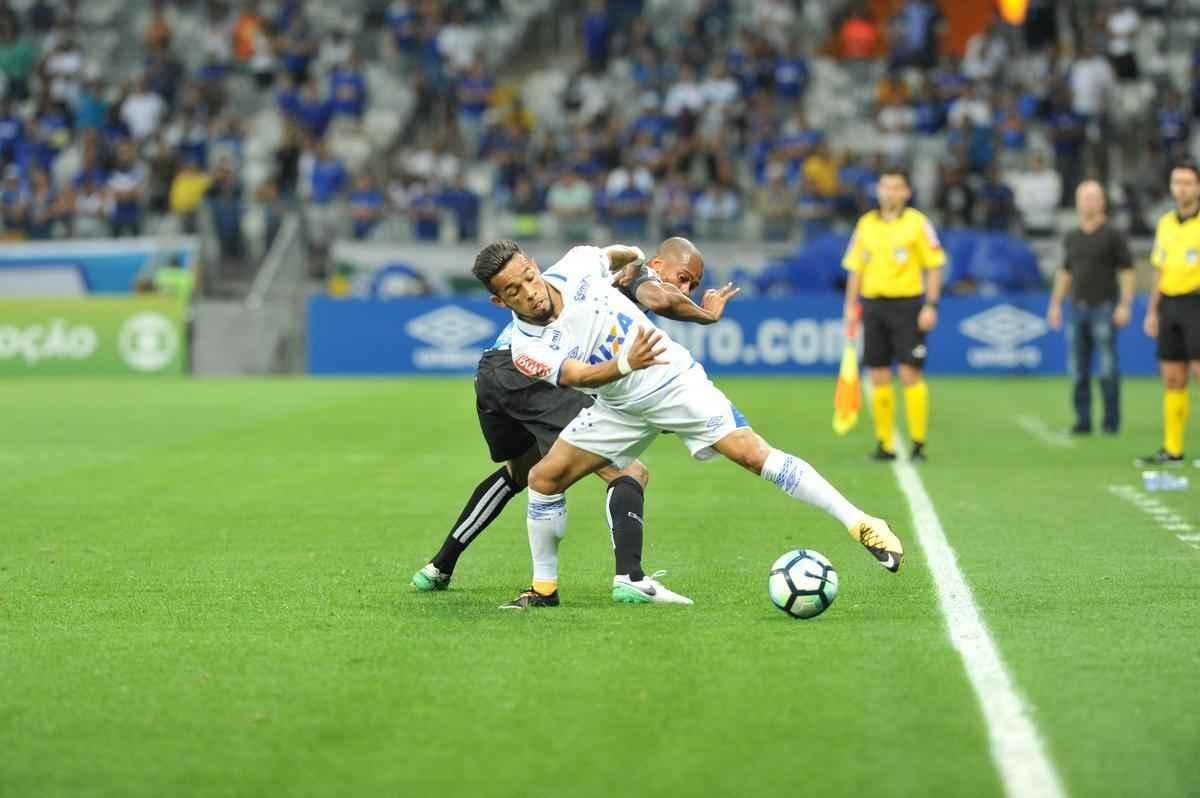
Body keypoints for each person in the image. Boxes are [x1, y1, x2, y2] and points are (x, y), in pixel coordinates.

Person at [473, 240, 900, 609]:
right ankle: (544, 589)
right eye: (514, 290)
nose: (530, 291)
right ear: (500, 301)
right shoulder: (526, 348)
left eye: (528, 276)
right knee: (545, 478)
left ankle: (861, 522)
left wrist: (636, 257)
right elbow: (578, 378)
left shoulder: (578, 263)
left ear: (532, 262)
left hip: (672, 384)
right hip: (617, 405)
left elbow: (615, 254)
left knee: (753, 454)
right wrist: (625, 362)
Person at [412, 238, 740, 607]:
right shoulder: (639, 281)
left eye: (693, 286)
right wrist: (703, 311)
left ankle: (439, 566)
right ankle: (629, 579)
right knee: (628, 470)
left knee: (523, 471)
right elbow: (655, 305)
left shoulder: (605, 279)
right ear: (659, 264)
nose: (684, 290)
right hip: (526, 373)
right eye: (683, 279)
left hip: (494, 372)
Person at [842, 169, 945, 462]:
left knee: (910, 372)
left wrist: (932, 305)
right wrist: (850, 306)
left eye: (896, 187)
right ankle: (884, 443)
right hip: (874, 306)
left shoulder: (918, 223)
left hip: (908, 305)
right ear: (879, 190)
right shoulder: (866, 224)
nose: (889, 192)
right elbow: (855, 268)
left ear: (906, 192)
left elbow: (934, 265)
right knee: (878, 374)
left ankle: (918, 443)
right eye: (885, 186)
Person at [1046, 180, 1133, 435]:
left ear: (1102, 202)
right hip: (1076, 308)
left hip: (1104, 307)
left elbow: (1127, 271)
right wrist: (1055, 305)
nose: (1088, 202)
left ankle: (1110, 422)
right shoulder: (1072, 236)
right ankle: (1082, 421)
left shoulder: (1113, 235)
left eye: (1093, 197)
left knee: (1107, 368)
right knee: (1077, 370)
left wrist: (1125, 305)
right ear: (1077, 202)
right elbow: (1065, 273)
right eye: (1084, 198)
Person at [1137, 162, 1200, 466]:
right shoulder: (1165, 223)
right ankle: (1173, 449)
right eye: (1178, 182)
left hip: (1197, 303)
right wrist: (1152, 311)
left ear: (1198, 187)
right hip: (1170, 306)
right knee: (1173, 378)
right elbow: (1159, 270)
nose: (1182, 188)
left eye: (1188, 182)